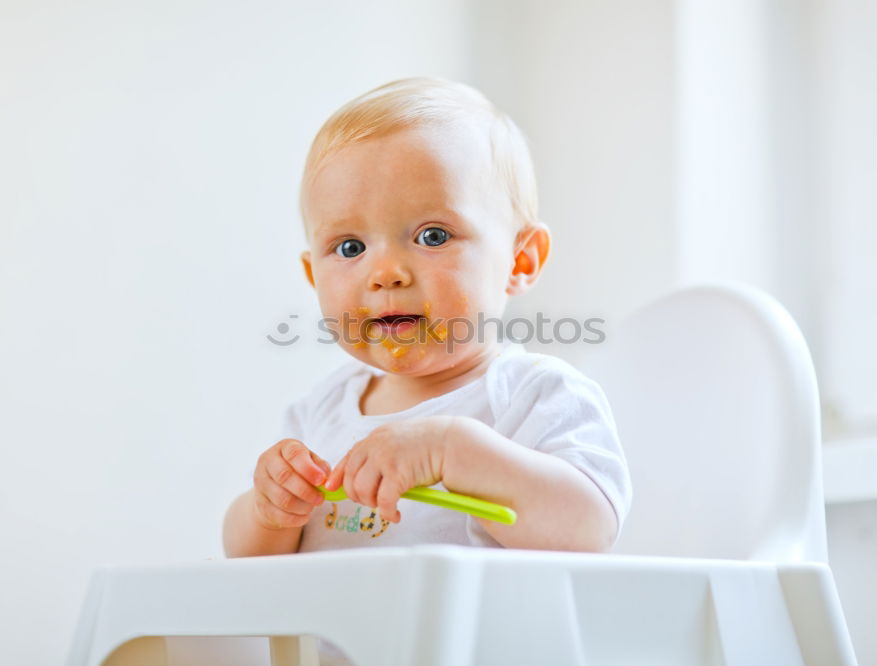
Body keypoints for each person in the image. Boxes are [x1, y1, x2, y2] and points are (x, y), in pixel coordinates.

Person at [222, 76, 631, 559]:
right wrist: (268, 514)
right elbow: (250, 564)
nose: (386, 273)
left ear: (521, 261)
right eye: (350, 247)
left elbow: (590, 529)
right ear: (314, 275)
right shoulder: (321, 411)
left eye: (433, 236)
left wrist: (453, 450)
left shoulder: (533, 395)